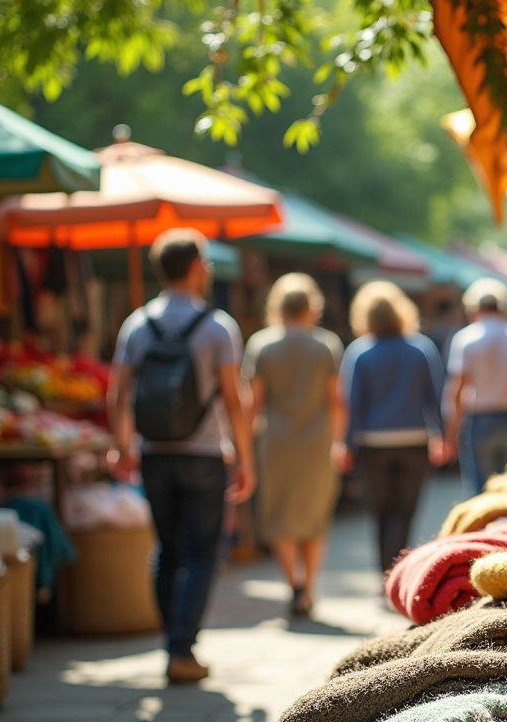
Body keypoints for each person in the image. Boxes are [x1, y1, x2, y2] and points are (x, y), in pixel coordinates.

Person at [108, 228, 254, 683]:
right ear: (194, 268)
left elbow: (118, 394)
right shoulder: (217, 326)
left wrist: (121, 444)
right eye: (206, 263)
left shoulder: (137, 324)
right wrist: (244, 456)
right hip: (204, 453)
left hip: (153, 452)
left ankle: (172, 640)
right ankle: (181, 647)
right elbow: (233, 397)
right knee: (200, 552)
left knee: (166, 550)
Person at [243, 273, 343, 617]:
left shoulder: (261, 345)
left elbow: (252, 404)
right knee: (314, 516)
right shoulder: (327, 345)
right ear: (312, 307)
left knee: (279, 514)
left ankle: (293, 585)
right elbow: (335, 402)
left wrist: (244, 444)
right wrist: (339, 441)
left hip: (276, 440)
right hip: (317, 439)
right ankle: (310, 587)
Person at [334, 281, 447, 574]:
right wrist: (443, 437)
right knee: (405, 513)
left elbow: (352, 404)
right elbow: (436, 398)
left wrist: (345, 444)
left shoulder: (359, 352)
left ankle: (385, 574)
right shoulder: (421, 348)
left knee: (380, 514)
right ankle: (398, 572)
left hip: (372, 444)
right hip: (414, 440)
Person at [445, 278, 507, 495]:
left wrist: (451, 431)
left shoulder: (466, 338)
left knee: (481, 491)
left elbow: (457, 390)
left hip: (479, 419)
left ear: (474, 307)